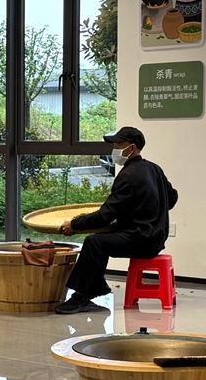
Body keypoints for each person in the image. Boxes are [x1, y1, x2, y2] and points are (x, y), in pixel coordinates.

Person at [56, 126, 177, 314]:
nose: (114, 149)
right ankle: (94, 289)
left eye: (119, 145)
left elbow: (105, 216)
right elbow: (173, 197)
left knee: (94, 243)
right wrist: (151, 210)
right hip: (156, 237)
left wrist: (74, 224)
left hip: (141, 240)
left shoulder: (128, 176)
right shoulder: (154, 169)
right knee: (100, 240)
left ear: (132, 147)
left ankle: (80, 297)